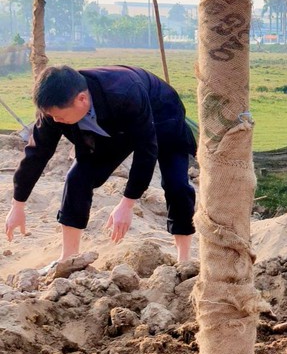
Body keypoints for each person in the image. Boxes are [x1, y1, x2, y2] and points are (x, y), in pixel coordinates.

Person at [5, 64, 197, 264]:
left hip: (162, 115)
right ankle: (69, 258)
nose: (55, 121)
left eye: (59, 116)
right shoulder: (56, 109)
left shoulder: (125, 92)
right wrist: (17, 205)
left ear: (82, 99)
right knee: (77, 177)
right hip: (108, 125)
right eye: (51, 116)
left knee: (176, 184)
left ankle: (183, 260)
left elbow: (146, 151)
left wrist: (127, 204)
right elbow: (36, 153)